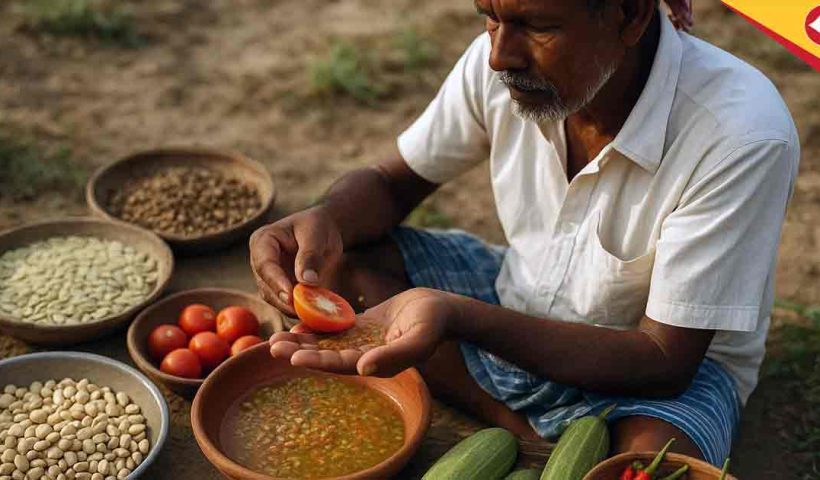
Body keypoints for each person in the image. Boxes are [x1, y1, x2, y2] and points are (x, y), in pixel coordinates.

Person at [250, 0, 799, 466]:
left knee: (654, 461)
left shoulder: (739, 136)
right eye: (488, 15)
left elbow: (663, 361)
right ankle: (518, 427)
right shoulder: (499, 66)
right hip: (520, 294)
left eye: (538, 27)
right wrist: (326, 219)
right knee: (347, 265)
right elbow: (391, 185)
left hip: (658, 370)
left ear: (630, 14)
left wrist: (458, 317)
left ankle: (523, 428)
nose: (499, 55)